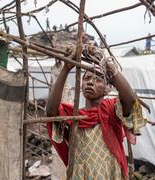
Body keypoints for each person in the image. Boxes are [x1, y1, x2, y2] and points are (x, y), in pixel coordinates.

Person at [46, 46, 146, 179]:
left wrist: (108, 65)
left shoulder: (112, 110)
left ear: (107, 88)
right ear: (81, 85)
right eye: (86, 79)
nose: (90, 83)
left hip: (109, 173)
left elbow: (130, 100)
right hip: (80, 174)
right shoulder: (73, 115)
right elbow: (51, 112)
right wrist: (66, 68)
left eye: (98, 79)